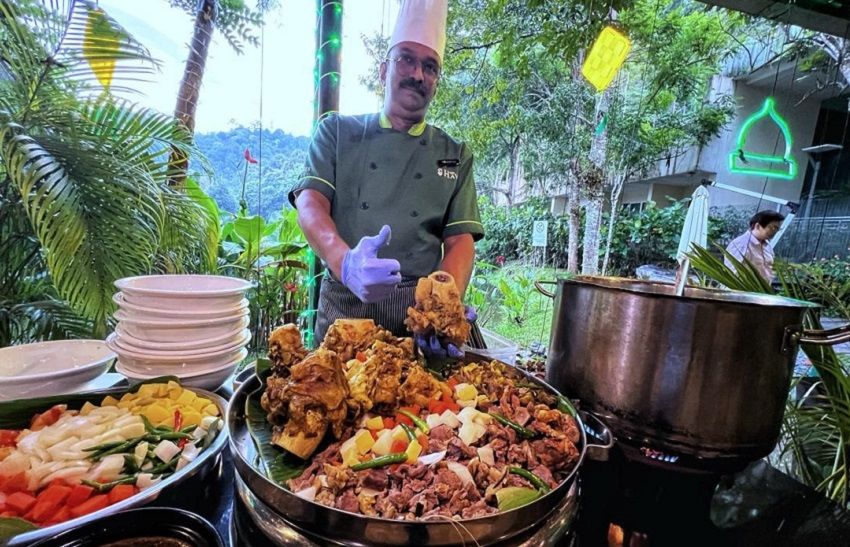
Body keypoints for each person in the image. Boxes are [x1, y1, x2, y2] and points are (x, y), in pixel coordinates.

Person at [288, 0, 483, 355]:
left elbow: (460, 241)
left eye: (430, 67)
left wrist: (442, 308)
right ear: (382, 71)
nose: (418, 74)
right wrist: (346, 263)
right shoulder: (336, 132)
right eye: (406, 59)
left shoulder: (454, 154)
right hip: (345, 312)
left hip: (417, 318)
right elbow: (310, 203)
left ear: (436, 83)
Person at [724, 210, 785, 283]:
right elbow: (732, 272)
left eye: (777, 229)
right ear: (758, 226)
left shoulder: (767, 246)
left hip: (762, 289)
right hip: (742, 289)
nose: (774, 231)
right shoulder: (741, 244)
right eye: (772, 228)